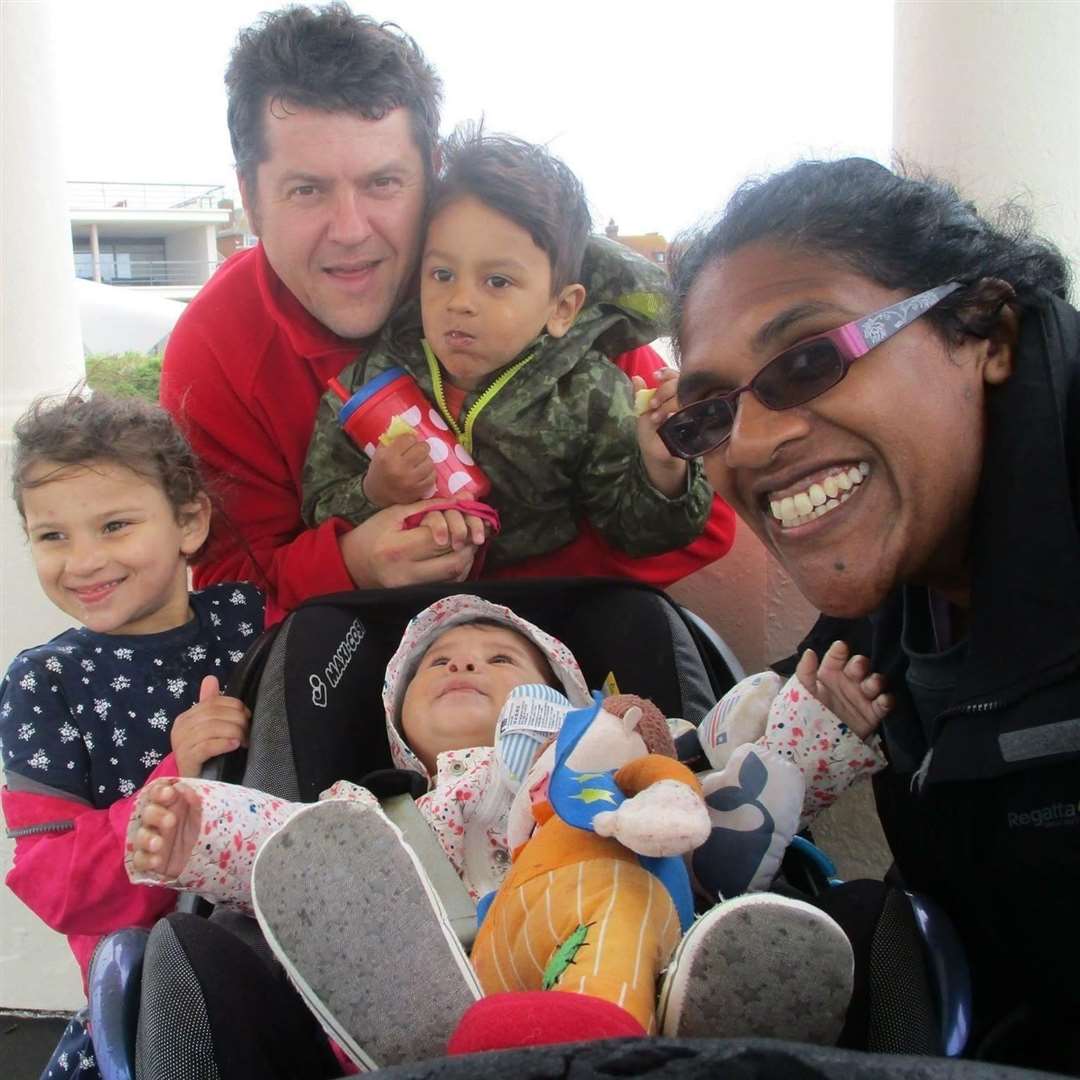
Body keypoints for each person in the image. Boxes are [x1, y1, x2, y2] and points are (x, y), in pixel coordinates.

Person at [659, 157, 1080, 1072]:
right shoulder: (909, 559)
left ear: (987, 331)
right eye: (711, 413)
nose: (755, 440)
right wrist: (648, 766)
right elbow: (797, 690)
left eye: (810, 361)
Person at [127, 594, 887, 1071]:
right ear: (399, 728)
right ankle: (422, 1041)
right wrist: (200, 830)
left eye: (498, 658)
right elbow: (290, 852)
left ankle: (718, 1024)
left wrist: (818, 732)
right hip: (444, 988)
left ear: (565, 697)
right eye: (440, 665)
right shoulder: (373, 808)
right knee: (326, 864)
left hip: (639, 963)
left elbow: (741, 802)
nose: (465, 665)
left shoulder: (620, 760)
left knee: (777, 894)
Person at [159, 4, 735, 622]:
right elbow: (226, 593)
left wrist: (489, 593)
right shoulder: (215, 346)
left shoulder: (534, 278)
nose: (351, 231)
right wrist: (352, 564)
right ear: (249, 198)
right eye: (307, 190)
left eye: (383, 183)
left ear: (432, 176)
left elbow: (705, 519)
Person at [301, 128, 712, 571]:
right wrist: (373, 493)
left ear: (562, 308)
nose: (460, 301)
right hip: (405, 603)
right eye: (441, 274)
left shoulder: (590, 393)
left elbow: (635, 533)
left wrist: (663, 468)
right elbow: (318, 508)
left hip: (541, 603)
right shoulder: (366, 385)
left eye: (497, 282)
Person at [0, 392, 264, 1080]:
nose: (83, 561)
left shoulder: (249, 620)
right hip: (154, 1004)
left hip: (285, 953)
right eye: (52, 536)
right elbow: (56, 884)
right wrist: (174, 775)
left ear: (189, 522)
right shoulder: (43, 684)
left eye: (114, 525)